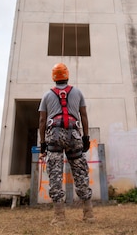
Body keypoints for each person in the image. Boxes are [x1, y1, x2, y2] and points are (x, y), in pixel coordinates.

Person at [38, 63, 95, 225]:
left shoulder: (47, 95)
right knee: (80, 172)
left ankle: (59, 217)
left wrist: (42, 143)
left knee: (55, 174)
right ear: (67, 75)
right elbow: (83, 115)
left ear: (54, 77)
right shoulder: (78, 92)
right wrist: (85, 137)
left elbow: (42, 120)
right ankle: (88, 214)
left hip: (54, 136)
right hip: (74, 134)